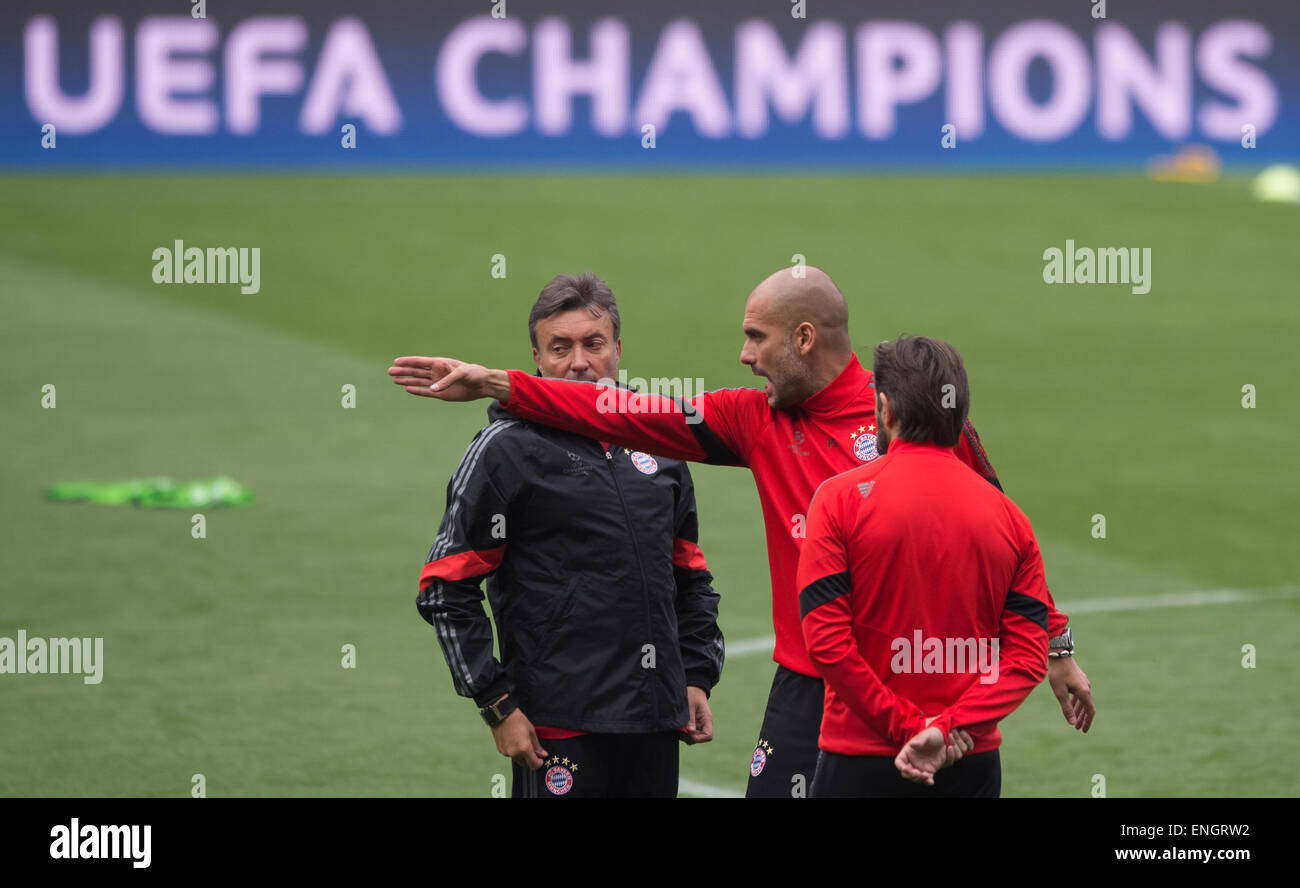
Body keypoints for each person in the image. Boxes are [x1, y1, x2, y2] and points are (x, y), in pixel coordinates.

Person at [390, 265, 1093, 799]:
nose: (744, 355)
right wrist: (497, 385)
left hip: (909, 686)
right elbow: (622, 412)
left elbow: (1004, 534)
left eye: (756, 337)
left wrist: (1056, 646)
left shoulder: (910, 414)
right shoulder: (752, 420)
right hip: (806, 684)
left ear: (804, 338)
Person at [413, 272, 724, 798]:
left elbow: (688, 573)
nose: (578, 362)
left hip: (654, 717)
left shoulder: (659, 442)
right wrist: (497, 705)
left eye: (593, 344)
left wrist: (694, 676)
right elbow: (445, 586)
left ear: (618, 349)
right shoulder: (503, 451)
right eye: (560, 347)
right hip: (557, 722)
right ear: (535, 358)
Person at [799, 335, 1051, 797]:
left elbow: (827, 642)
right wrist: (950, 727)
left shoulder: (838, 501)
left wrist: (909, 729)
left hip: (860, 761)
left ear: (886, 410)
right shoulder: (1010, 519)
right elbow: (1028, 655)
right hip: (966, 761)